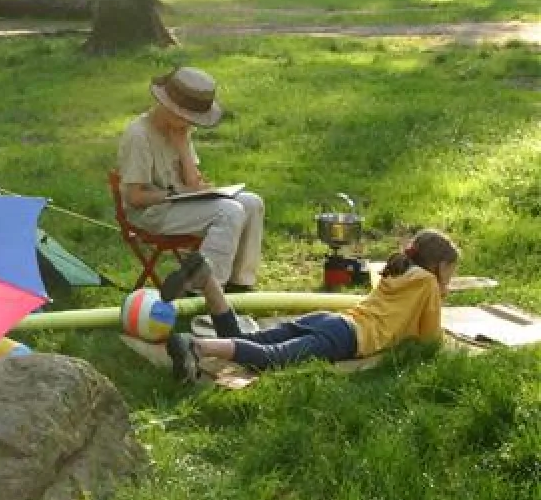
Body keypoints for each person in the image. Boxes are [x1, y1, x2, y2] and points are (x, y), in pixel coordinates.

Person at [164, 228, 460, 382]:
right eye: (450, 272)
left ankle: (207, 280)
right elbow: (429, 337)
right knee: (271, 358)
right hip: (348, 337)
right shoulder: (428, 284)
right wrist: (440, 295)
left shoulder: (400, 268)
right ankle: (197, 346)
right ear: (440, 266)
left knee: (248, 341)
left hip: (331, 320)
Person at [117, 66, 265, 293]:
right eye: (187, 118)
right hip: (151, 213)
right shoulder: (139, 135)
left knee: (252, 202)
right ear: (169, 108)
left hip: (182, 203)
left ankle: (240, 283)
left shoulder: (180, 130)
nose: (190, 124)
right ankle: (205, 291)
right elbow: (134, 197)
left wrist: (183, 148)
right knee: (229, 211)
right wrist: (176, 194)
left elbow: (194, 183)